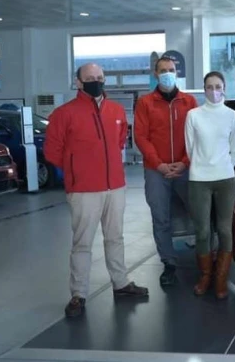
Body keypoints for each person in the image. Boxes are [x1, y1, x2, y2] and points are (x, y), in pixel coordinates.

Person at [45, 63, 148, 318]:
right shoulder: (64, 114)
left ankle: (121, 283)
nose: (96, 81)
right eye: (90, 77)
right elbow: (52, 151)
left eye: (100, 77)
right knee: (82, 243)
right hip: (84, 189)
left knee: (116, 237)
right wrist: (76, 169)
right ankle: (78, 294)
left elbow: (120, 140)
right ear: (78, 82)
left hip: (115, 186)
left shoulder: (116, 110)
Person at [134, 57, 197, 286]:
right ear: (155, 74)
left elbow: (196, 136)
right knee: (160, 217)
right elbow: (141, 136)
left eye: (171, 70)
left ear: (176, 72)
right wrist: (158, 164)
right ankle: (169, 263)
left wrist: (185, 162)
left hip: (186, 169)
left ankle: (205, 258)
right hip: (155, 171)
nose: (167, 73)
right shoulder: (145, 103)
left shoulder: (189, 101)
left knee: (198, 213)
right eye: (163, 70)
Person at [184, 72, 235, 298]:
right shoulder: (193, 115)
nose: (214, 91)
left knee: (225, 230)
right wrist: (203, 165)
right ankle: (206, 275)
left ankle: (221, 278)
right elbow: (190, 148)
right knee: (202, 231)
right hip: (199, 179)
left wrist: (223, 166)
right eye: (209, 86)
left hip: (225, 179)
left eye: (218, 86)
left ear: (224, 88)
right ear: (204, 89)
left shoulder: (232, 116)